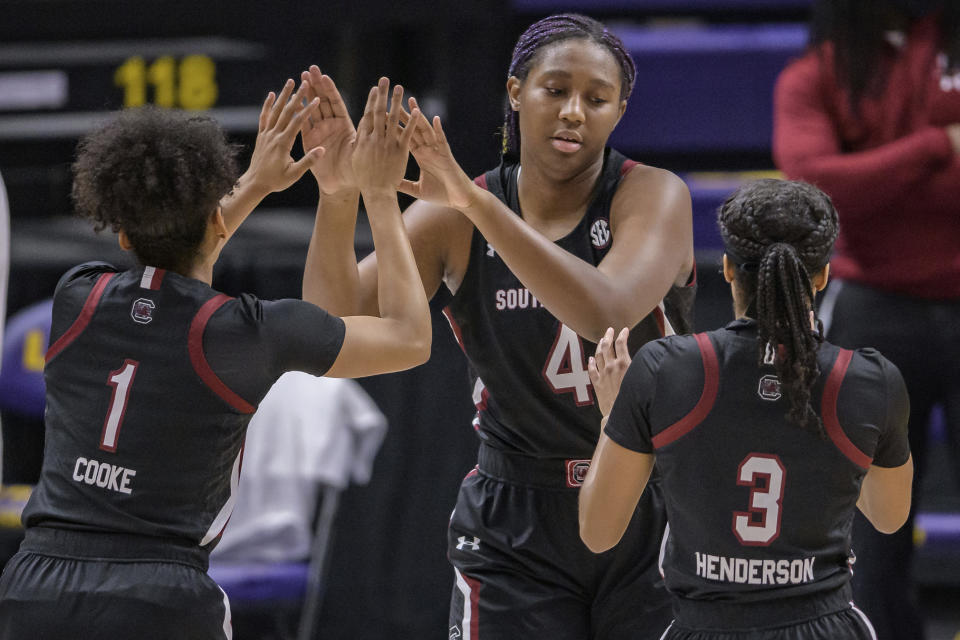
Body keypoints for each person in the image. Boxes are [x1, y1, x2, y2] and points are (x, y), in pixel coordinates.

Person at [298, 12, 695, 638]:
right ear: (515, 92)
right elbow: (329, 323)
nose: (573, 112)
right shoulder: (454, 213)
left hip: (645, 496)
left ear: (620, 111)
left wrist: (472, 202)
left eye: (596, 99)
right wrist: (340, 192)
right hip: (516, 512)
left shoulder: (649, 195)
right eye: (555, 90)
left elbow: (608, 311)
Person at [0, 77, 431, 639]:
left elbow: (179, 249)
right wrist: (366, 191)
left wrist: (254, 182)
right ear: (219, 221)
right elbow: (409, 338)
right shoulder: (246, 331)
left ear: (122, 234)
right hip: (159, 598)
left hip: (36, 587)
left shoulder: (77, 295)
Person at [579, 178, 914, 639]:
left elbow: (598, 532)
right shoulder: (869, 380)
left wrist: (611, 419)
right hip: (823, 627)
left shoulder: (664, 370)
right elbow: (889, 515)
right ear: (822, 276)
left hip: (705, 628)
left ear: (728, 269)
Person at [772, 2, 960, 637]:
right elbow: (812, 186)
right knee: (869, 532)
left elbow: (847, 183)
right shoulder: (819, 71)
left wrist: (875, 175)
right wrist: (938, 146)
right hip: (875, 305)